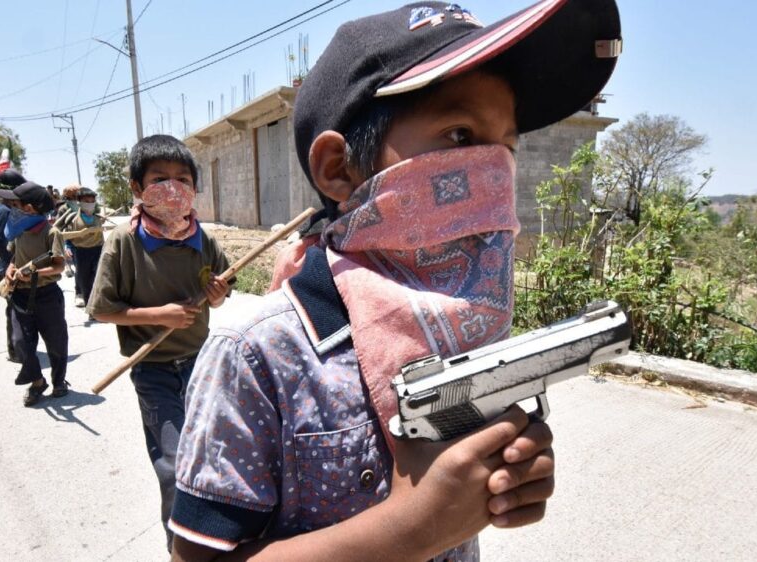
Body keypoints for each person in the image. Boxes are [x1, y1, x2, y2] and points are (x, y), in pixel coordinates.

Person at [169, 1, 622, 560]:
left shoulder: (460, 326)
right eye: (459, 136)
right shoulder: (254, 355)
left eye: (505, 147)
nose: (492, 171)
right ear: (338, 168)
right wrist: (415, 527)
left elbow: (460, 496)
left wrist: (502, 484)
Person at [87, 134, 232, 550]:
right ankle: (182, 549)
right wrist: (159, 315)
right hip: (152, 369)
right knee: (173, 464)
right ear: (137, 188)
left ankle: (215, 532)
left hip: (202, 362)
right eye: (160, 178)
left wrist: (217, 295)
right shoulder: (124, 242)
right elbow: (101, 309)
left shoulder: (200, 239)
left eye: (182, 179)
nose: (173, 188)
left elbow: (218, 291)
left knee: (211, 454)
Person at [0, 180, 69, 406]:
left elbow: (59, 266)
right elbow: (13, 258)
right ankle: (37, 381)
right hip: (20, 295)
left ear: (30, 207)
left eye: (16, 204)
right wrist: (10, 270)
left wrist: (34, 273)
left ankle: (59, 381)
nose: (12, 208)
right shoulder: (19, 230)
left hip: (47, 295)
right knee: (20, 341)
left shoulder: (51, 232)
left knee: (56, 343)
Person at [0, 170, 27, 363]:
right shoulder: (4, 211)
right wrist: (13, 259)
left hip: (11, 266)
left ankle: (19, 347)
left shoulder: (9, 208)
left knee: (18, 308)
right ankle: (15, 350)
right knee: (14, 309)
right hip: (7, 268)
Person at [60, 187, 105, 309]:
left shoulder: (98, 218)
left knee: (98, 277)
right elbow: (65, 235)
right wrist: (67, 247)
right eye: (86, 201)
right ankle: (89, 306)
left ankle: (99, 305)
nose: (90, 204)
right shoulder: (72, 218)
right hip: (81, 252)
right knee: (84, 280)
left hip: (98, 250)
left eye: (92, 201)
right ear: (79, 202)